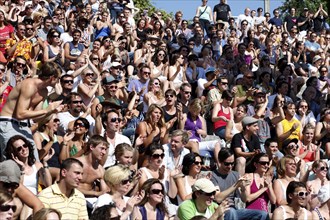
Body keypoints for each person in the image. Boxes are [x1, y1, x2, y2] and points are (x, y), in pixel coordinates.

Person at [0, 62, 64, 161]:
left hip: (23, 126)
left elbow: (35, 118)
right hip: (8, 123)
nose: (58, 82)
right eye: (58, 79)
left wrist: (52, 111)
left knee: (34, 160)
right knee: (14, 161)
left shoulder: (44, 91)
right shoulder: (29, 85)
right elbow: (20, 113)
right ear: (52, 78)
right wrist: (47, 110)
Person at [210, 148, 269, 220]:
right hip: (220, 209)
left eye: (232, 163)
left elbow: (244, 199)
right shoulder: (213, 176)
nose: (230, 166)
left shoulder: (236, 175)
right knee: (231, 212)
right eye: (227, 164)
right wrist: (236, 185)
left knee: (263, 214)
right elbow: (218, 198)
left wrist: (243, 188)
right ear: (219, 161)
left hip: (234, 209)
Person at [76, 135, 109, 208]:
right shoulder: (76, 164)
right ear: (91, 147)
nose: (104, 152)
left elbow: (104, 192)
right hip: (74, 198)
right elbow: (69, 186)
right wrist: (95, 193)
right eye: (102, 148)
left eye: (105, 150)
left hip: (90, 202)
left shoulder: (100, 170)